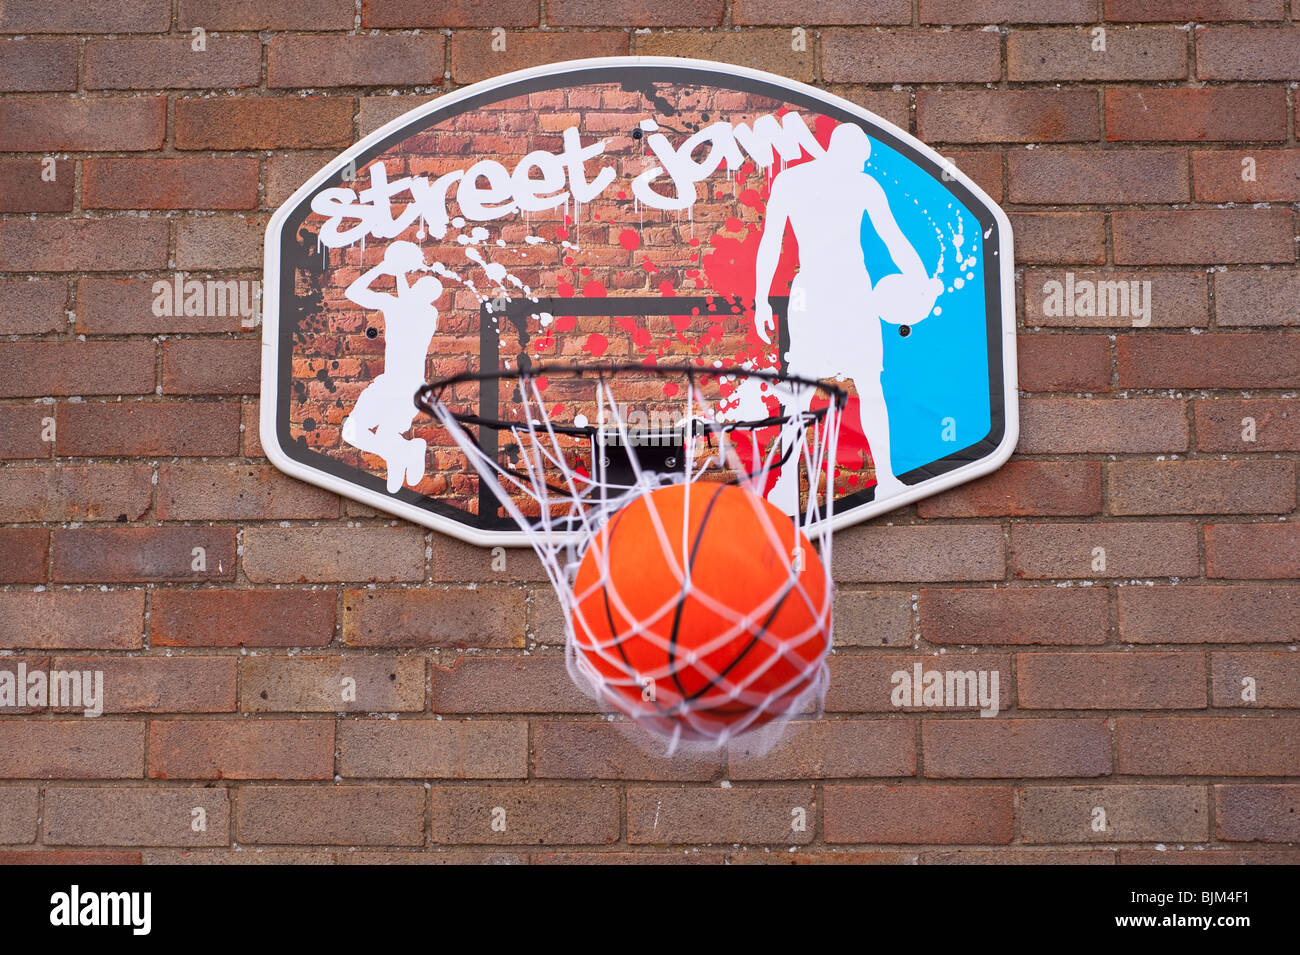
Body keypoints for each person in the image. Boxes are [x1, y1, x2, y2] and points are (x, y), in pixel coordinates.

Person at [753, 122, 942, 511]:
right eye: (858, 160)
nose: (858, 166)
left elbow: (895, 240)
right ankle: (789, 484)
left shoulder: (829, 183)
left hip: (841, 294)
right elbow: (770, 243)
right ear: (844, 153)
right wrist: (759, 300)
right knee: (811, 393)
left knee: (854, 388)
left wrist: (921, 282)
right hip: (825, 293)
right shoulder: (834, 183)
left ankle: (884, 479)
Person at [341, 240, 444, 494]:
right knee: (361, 433)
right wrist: (385, 268)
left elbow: (405, 301)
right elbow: (352, 293)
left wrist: (395, 269)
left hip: (404, 387)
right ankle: (403, 453)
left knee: (363, 433)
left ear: (430, 298)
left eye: (426, 289)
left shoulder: (424, 314)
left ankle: (401, 453)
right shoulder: (399, 306)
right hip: (395, 385)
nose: (420, 289)